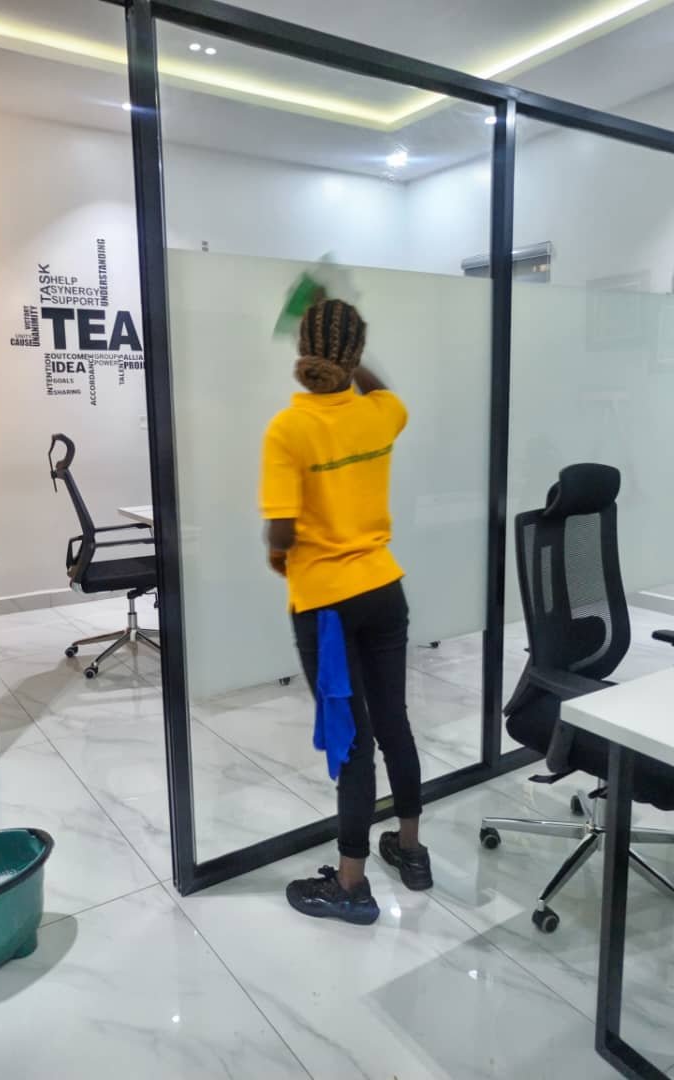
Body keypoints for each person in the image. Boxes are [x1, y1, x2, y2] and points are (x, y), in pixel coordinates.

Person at [259, 297, 432, 926]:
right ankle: (410, 850)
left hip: (327, 606)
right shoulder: (381, 414)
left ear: (303, 352)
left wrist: (280, 558)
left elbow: (281, 529)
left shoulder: (287, 429)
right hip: (384, 589)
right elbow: (382, 391)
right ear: (355, 355)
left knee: (352, 741)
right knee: (394, 724)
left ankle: (352, 886)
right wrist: (351, 360)